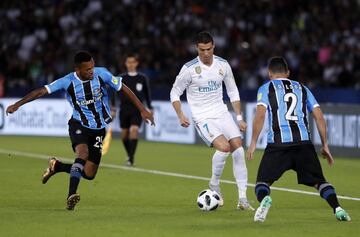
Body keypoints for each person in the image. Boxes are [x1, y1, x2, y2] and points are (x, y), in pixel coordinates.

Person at [6, 51, 154, 210]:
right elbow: (41, 91)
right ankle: (71, 195)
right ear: (78, 69)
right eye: (88, 69)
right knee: (82, 155)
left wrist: (142, 109)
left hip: (98, 129)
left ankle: (57, 166)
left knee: (89, 174)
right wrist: (18, 104)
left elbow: (124, 88)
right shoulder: (67, 81)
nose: (92, 71)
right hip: (79, 125)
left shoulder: (102, 74)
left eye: (92, 66)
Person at [247, 56, 351, 222]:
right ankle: (337, 208)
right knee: (320, 182)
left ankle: (264, 200)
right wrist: (325, 145)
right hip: (304, 144)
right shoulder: (302, 88)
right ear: (288, 73)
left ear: (269, 74)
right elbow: (319, 116)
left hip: (278, 145)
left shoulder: (266, 88)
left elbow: (260, 114)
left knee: (262, 183)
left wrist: (253, 142)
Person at [170, 31, 253, 210]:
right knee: (224, 148)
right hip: (203, 117)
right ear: (196, 49)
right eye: (202, 50)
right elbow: (174, 92)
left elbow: (232, 91)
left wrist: (239, 117)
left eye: (208, 49)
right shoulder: (189, 69)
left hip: (222, 113)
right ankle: (214, 184)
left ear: (213, 46)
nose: (206, 53)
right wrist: (181, 114)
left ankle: (243, 198)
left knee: (238, 147)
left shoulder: (223, 65)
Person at [117, 54, 153, 166]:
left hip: (137, 110)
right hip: (124, 109)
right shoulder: (121, 78)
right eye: (128, 62)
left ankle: (131, 159)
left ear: (136, 63)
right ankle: (129, 154)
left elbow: (147, 94)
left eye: (133, 62)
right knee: (124, 135)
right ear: (126, 64)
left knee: (134, 131)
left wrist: (150, 108)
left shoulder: (142, 78)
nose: (130, 64)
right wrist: (113, 106)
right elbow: (115, 93)